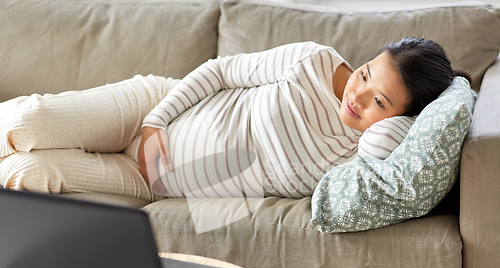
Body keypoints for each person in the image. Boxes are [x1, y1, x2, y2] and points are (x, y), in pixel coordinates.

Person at [0, 38, 471, 200]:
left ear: (401, 121)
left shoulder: (357, 157)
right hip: (150, 112)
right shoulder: (314, 63)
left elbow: (391, 145)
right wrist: (154, 123)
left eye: (381, 104)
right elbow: (221, 69)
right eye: (367, 73)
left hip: (151, 183)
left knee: (27, 173)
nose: (358, 95)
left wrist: (403, 119)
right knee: (29, 122)